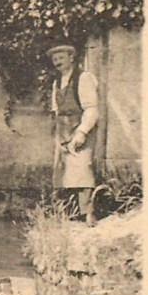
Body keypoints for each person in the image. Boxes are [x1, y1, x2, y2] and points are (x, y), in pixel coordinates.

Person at [47, 43, 100, 227]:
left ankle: (89, 215)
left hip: (80, 126)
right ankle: (68, 215)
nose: (57, 62)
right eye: (54, 59)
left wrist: (82, 132)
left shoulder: (84, 78)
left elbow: (92, 109)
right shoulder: (56, 83)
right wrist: (57, 133)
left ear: (71, 58)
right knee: (62, 172)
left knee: (83, 169)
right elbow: (56, 110)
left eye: (61, 58)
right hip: (63, 130)